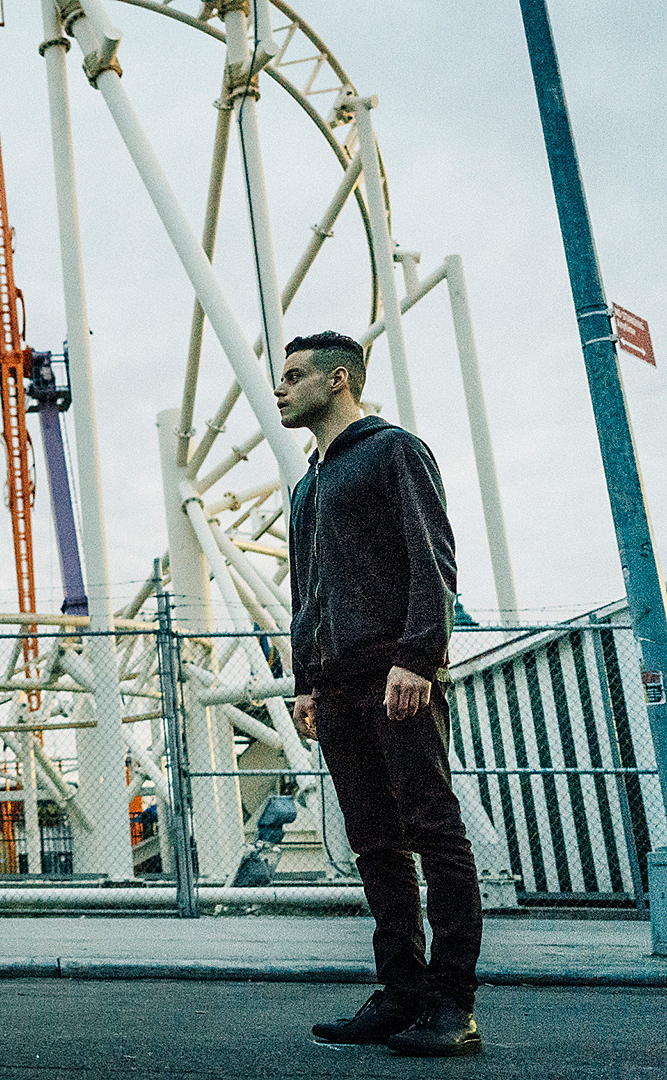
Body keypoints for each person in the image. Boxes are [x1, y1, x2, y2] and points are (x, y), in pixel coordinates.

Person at [276, 331, 481, 1057]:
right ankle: (400, 995)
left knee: (434, 831)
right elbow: (306, 593)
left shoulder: (394, 451)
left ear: (338, 381)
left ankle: (451, 1005)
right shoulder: (307, 487)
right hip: (335, 688)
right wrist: (306, 682)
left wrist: (418, 656)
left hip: (396, 676)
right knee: (373, 845)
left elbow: (433, 558)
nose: (280, 389)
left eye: (294, 376)